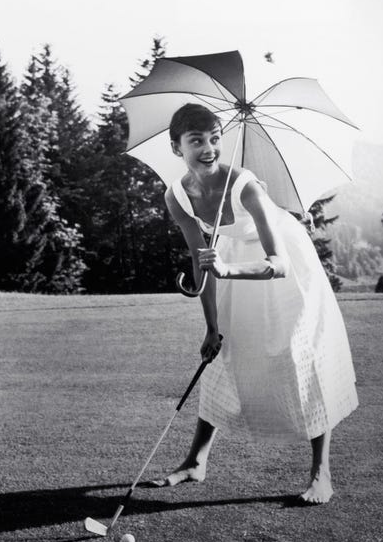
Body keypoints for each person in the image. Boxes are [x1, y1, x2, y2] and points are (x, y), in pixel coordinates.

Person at [151, 103, 358, 504]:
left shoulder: (246, 186)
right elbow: (200, 260)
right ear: (177, 147)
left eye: (215, 138)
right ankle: (196, 461)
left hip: (284, 265)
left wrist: (227, 271)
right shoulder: (177, 196)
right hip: (229, 261)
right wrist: (211, 325)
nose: (209, 148)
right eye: (197, 141)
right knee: (223, 357)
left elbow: (278, 264)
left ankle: (321, 473)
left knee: (302, 359)